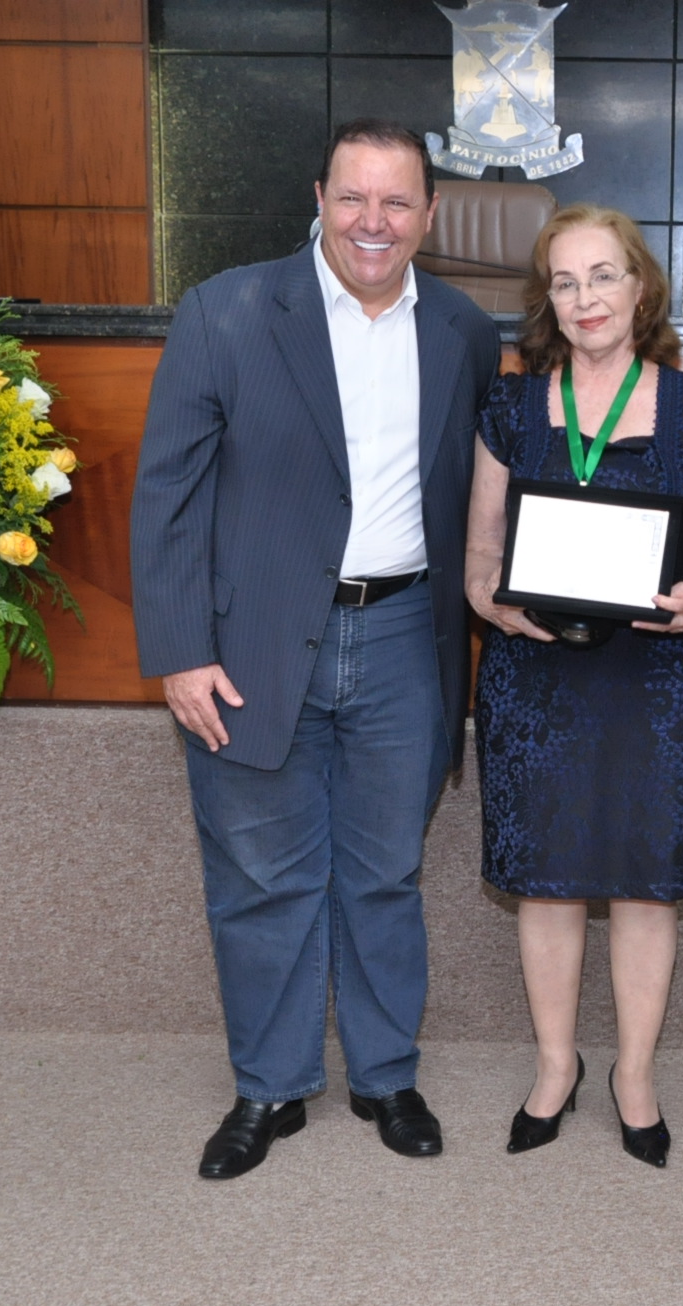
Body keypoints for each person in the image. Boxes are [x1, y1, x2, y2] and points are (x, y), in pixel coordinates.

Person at [129, 118, 500, 1180]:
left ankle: (385, 1076)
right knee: (260, 877)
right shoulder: (227, 310)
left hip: (405, 637)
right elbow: (166, 494)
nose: (372, 221)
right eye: (352, 197)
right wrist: (180, 651)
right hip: (248, 644)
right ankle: (270, 1085)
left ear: (429, 214)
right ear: (319, 199)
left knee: (384, 873)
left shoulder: (464, 331)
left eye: (396, 201)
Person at [464, 205, 683, 1169]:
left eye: (602, 276)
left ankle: (634, 1073)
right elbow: (480, 554)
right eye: (564, 281)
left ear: (640, 287)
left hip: (657, 680)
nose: (584, 298)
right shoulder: (510, 408)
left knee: (643, 885)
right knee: (546, 885)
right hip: (536, 676)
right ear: (546, 299)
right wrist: (491, 603)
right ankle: (555, 1065)